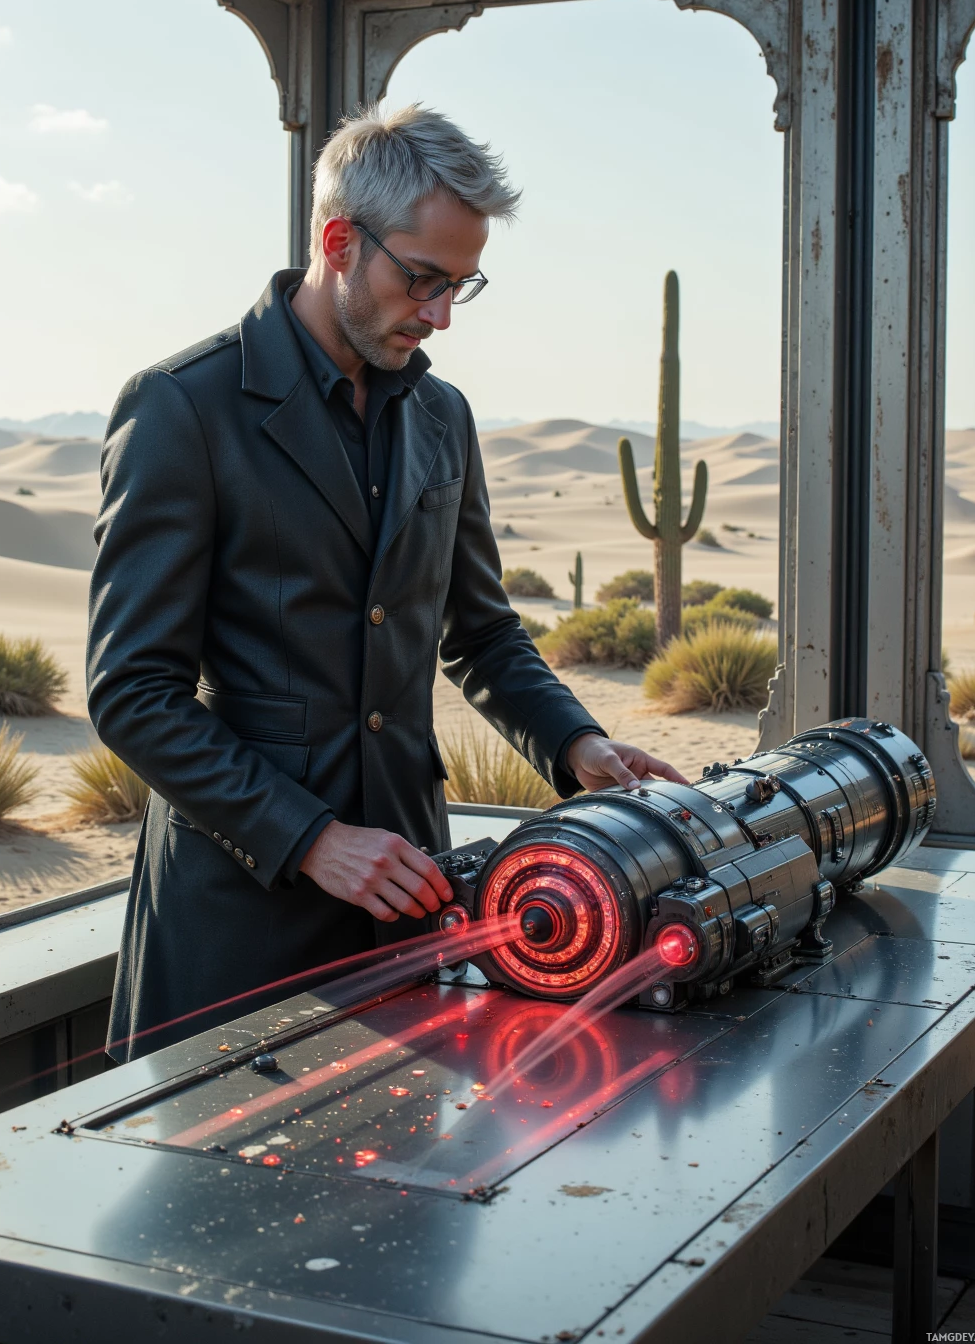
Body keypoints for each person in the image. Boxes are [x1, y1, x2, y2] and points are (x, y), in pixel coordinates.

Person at [88, 103, 686, 1062]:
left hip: (412, 900)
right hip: (242, 920)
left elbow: (481, 633)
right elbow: (132, 694)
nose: (443, 315)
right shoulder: (180, 408)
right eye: (423, 279)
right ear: (338, 241)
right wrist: (314, 838)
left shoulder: (444, 415)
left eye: (464, 286)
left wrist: (577, 745)